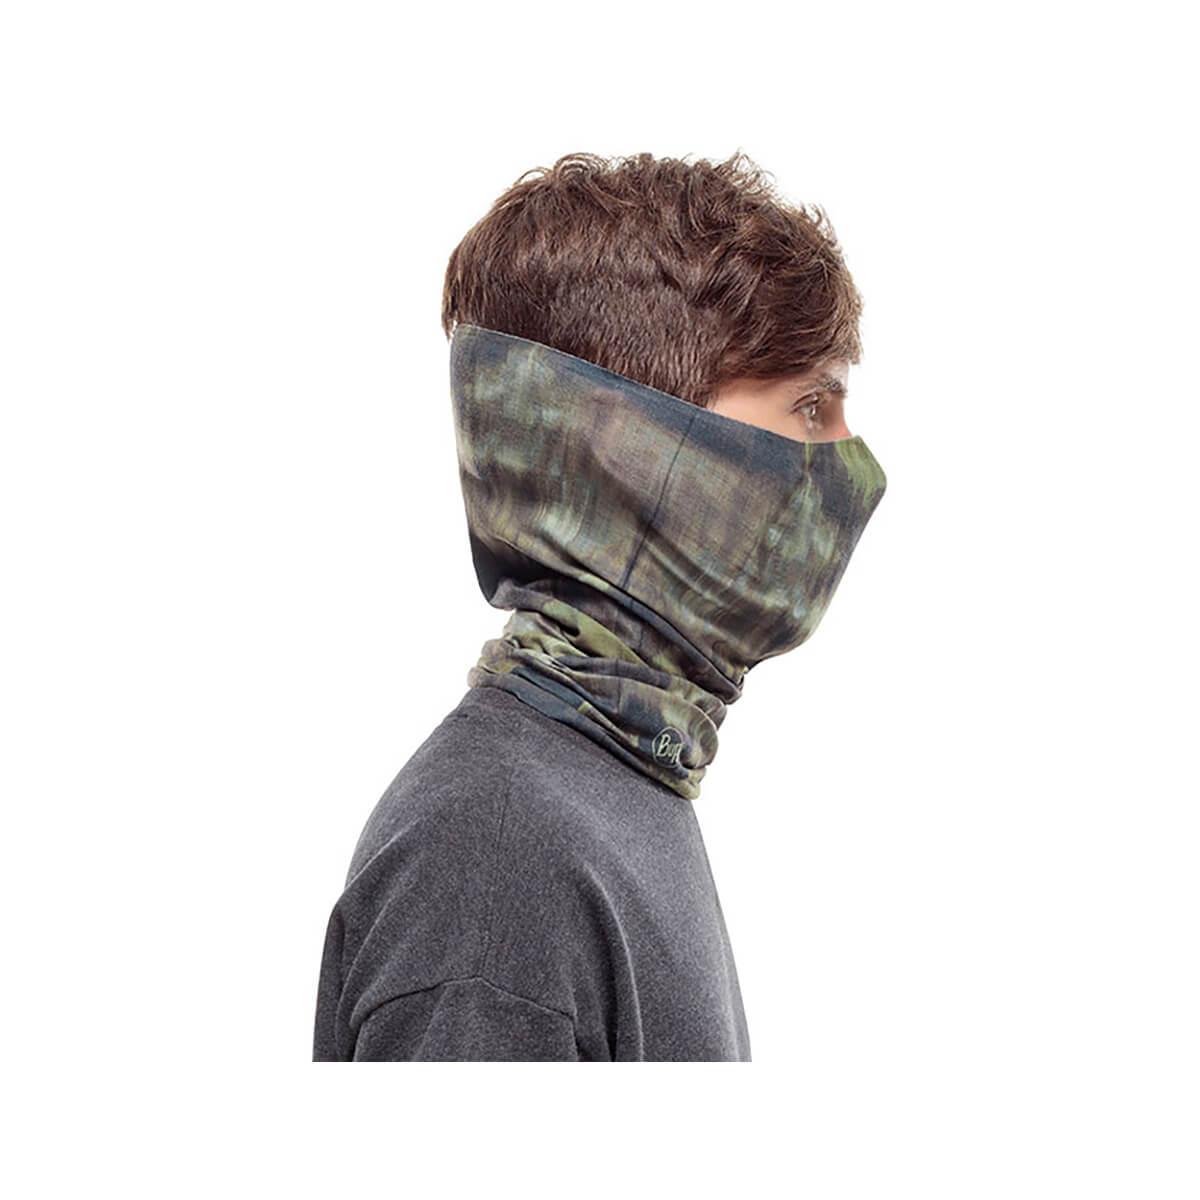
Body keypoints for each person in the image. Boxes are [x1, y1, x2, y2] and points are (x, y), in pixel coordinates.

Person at [312, 150, 887, 1061]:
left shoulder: (615, 780)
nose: (855, 465)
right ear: (629, 448)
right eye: (811, 409)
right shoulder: (495, 859)